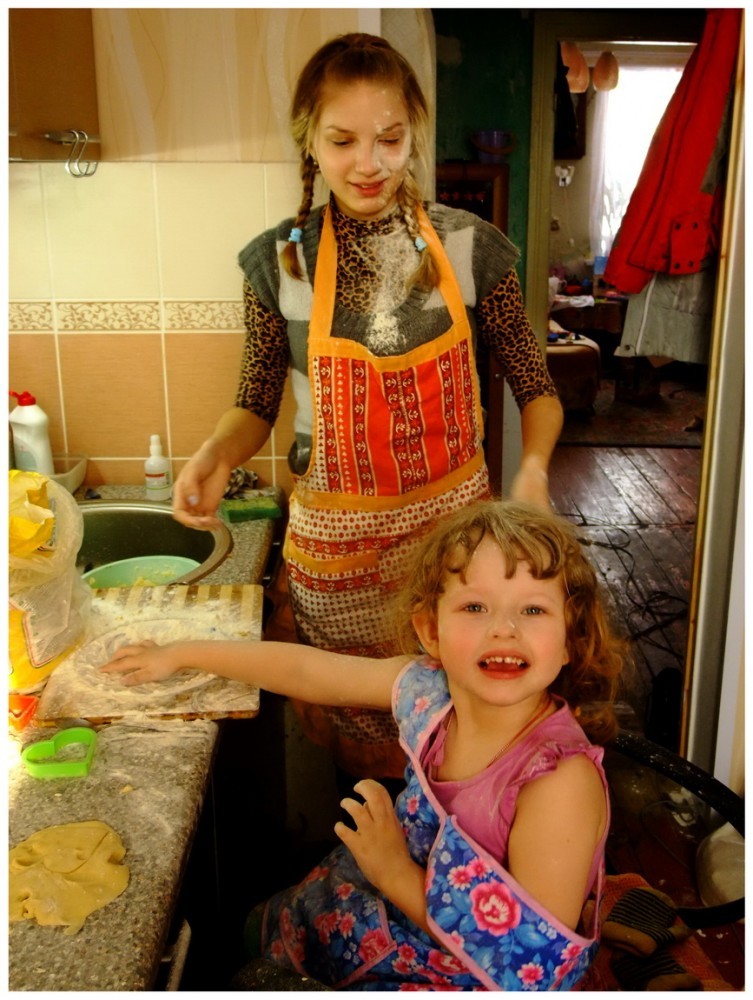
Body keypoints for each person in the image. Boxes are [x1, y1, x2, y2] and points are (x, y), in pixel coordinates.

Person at [171, 33, 564, 780]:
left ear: (414, 133)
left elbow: (536, 387)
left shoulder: (470, 247)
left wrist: (535, 468)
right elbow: (254, 400)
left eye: (389, 138)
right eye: (342, 140)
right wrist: (218, 454)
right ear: (309, 142)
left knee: (458, 749)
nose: (368, 163)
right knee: (362, 777)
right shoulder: (280, 262)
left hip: (455, 559)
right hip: (337, 570)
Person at [102, 499, 625, 991]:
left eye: (533, 610)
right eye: (474, 606)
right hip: (382, 909)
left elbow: (527, 968)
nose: (504, 630)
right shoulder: (432, 692)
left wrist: (394, 872)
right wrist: (182, 653)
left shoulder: (558, 783)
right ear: (431, 631)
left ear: (570, 639)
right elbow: (309, 671)